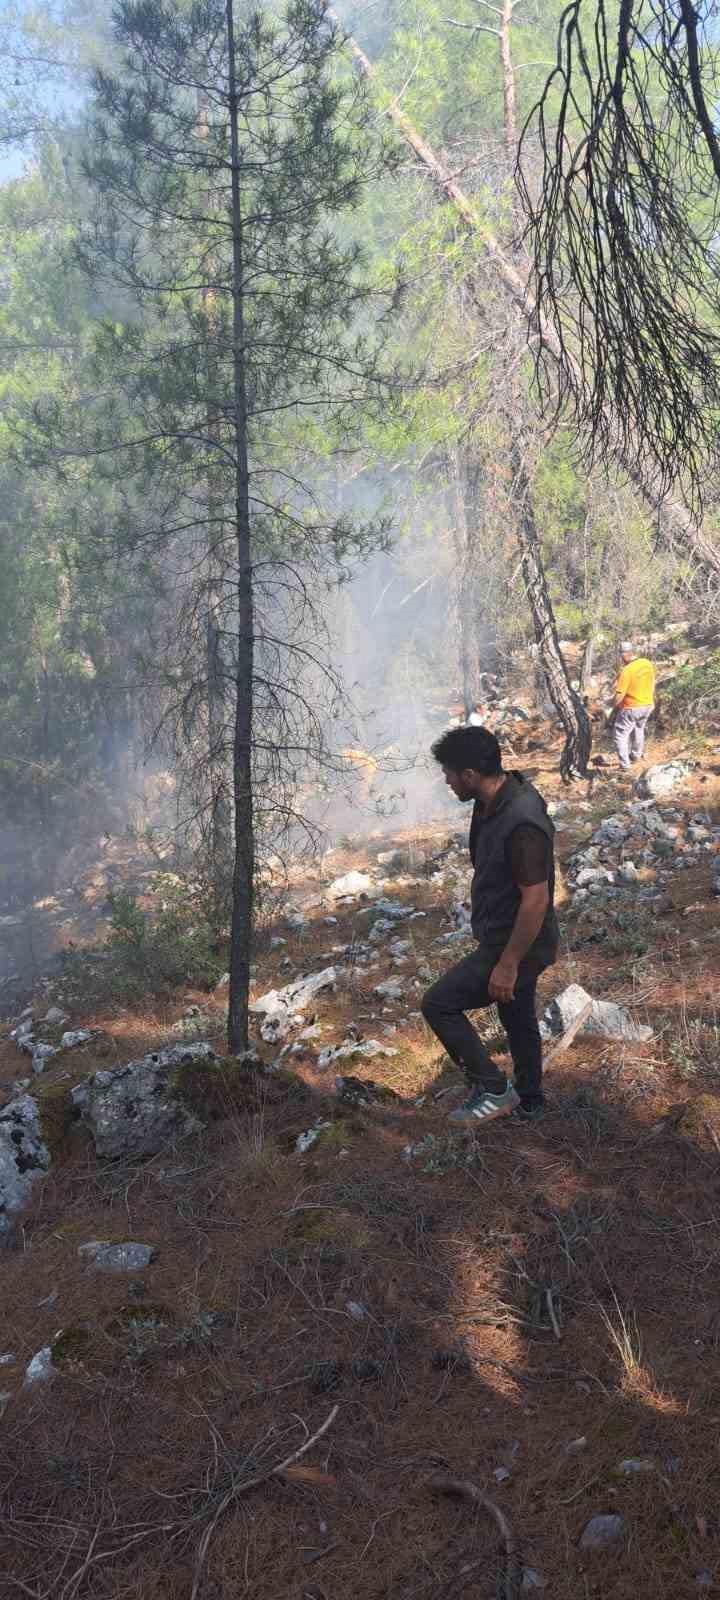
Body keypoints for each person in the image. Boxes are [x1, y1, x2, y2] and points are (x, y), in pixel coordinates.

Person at [421, 725, 558, 1127]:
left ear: (469, 774)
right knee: (516, 1017)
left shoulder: (521, 821)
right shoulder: (490, 802)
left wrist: (508, 963)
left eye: (448, 773)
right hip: (506, 936)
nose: (446, 781)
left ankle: (493, 1089)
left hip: (519, 944)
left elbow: (536, 899)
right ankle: (530, 1103)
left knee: (439, 1004)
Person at [612, 642, 656, 770]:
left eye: (621, 655)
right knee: (639, 729)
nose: (621, 658)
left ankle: (625, 766)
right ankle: (636, 756)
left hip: (631, 707)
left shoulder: (626, 671)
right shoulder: (647, 664)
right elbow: (653, 682)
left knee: (620, 734)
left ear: (625, 654)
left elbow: (619, 695)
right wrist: (650, 699)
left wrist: (611, 707)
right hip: (647, 705)